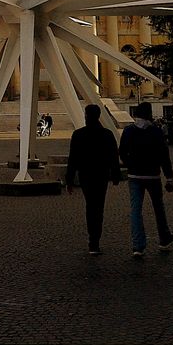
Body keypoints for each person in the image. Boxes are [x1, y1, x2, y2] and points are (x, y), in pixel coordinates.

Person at [119, 102, 173, 257]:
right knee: (158, 208)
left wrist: (130, 164)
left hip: (134, 176)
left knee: (135, 211)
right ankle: (164, 239)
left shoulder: (129, 131)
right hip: (153, 176)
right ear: (149, 115)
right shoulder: (155, 132)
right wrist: (169, 178)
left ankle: (138, 246)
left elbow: (122, 152)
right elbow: (164, 156)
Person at [65, 104, 121, 255]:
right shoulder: (107, 134)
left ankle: (92, 240)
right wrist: (116, 175)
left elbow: (73, 159)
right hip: (101, 175)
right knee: (98, 206)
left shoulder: (78, 134)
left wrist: (69, 180)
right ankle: (95, 240)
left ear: (86, 116)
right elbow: (114, 156)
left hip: (86, 176)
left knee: (90, 206)